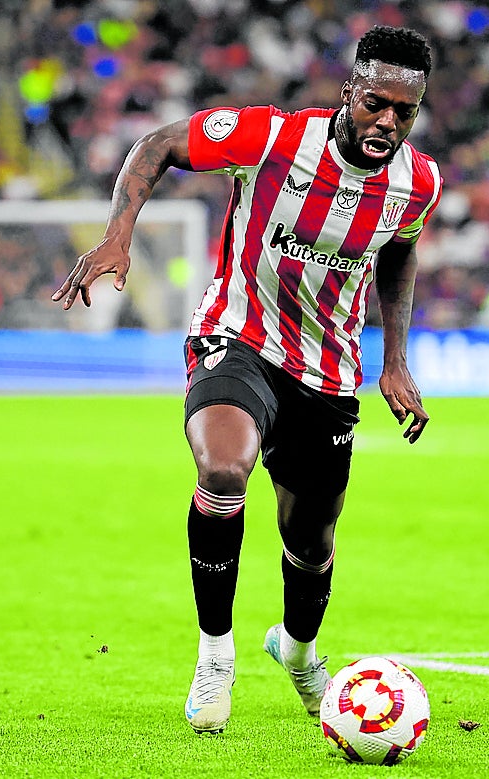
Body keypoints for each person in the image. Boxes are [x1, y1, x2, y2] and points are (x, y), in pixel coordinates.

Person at [52, 26, 441, 735]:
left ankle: (297, 652)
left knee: (312, 541)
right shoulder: (270, 137)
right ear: (349, 91)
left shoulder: (420, 181)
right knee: (223, 469)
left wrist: (395, 360)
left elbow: (399, 254)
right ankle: (214, 654)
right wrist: (118, 231)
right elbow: (161, 144)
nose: (386, 121)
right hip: (235, 336)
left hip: (327, 370)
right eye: (375, 103)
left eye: (403, 112)